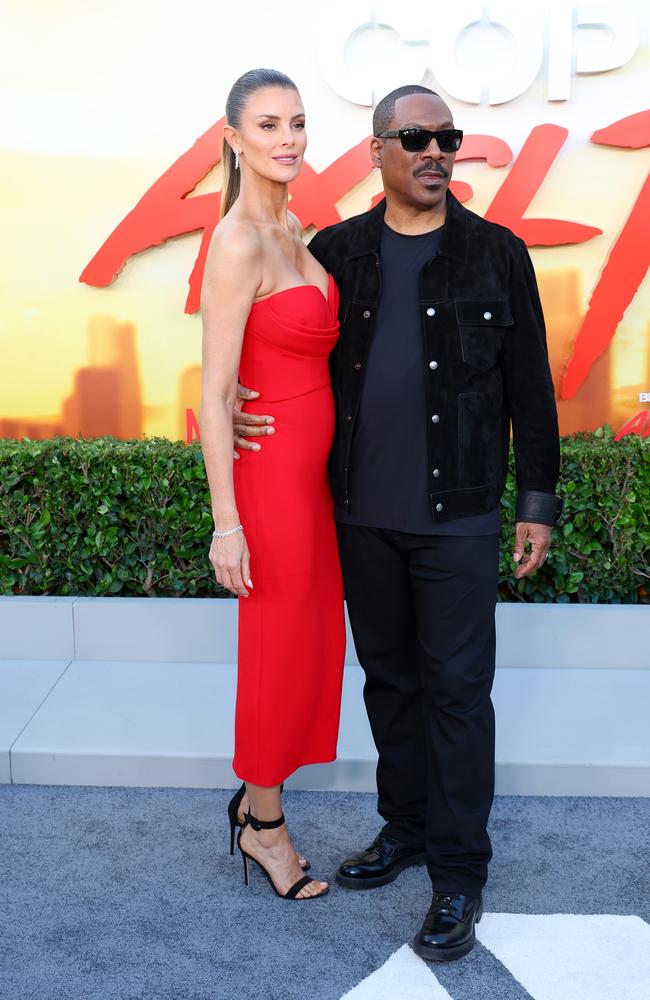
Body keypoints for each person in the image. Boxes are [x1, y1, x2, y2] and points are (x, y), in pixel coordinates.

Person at [233, 84, 563, 954]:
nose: (433, 151)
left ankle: (459, 875)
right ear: (377, 150)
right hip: (358, 517)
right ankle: (406, 828)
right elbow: (279, 341)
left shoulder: (497, 253)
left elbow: (531, 382)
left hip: (456, 517)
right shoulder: (336, 251)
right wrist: (232, 406)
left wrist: (539, 501)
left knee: (457, 695)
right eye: (413, 137)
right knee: (391, 684)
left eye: (445, 137)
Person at [199, 68, 346, 901]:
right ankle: (263, 828)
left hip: (315, 480)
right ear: (234, 139)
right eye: (267, 125)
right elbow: (215, 394)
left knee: (310, 645)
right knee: (275, 651)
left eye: (296, 123)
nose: (287, 138)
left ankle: (263, 810)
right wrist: (228, 523)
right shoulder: (238, 242)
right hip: (271, 487)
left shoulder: (297, 228)